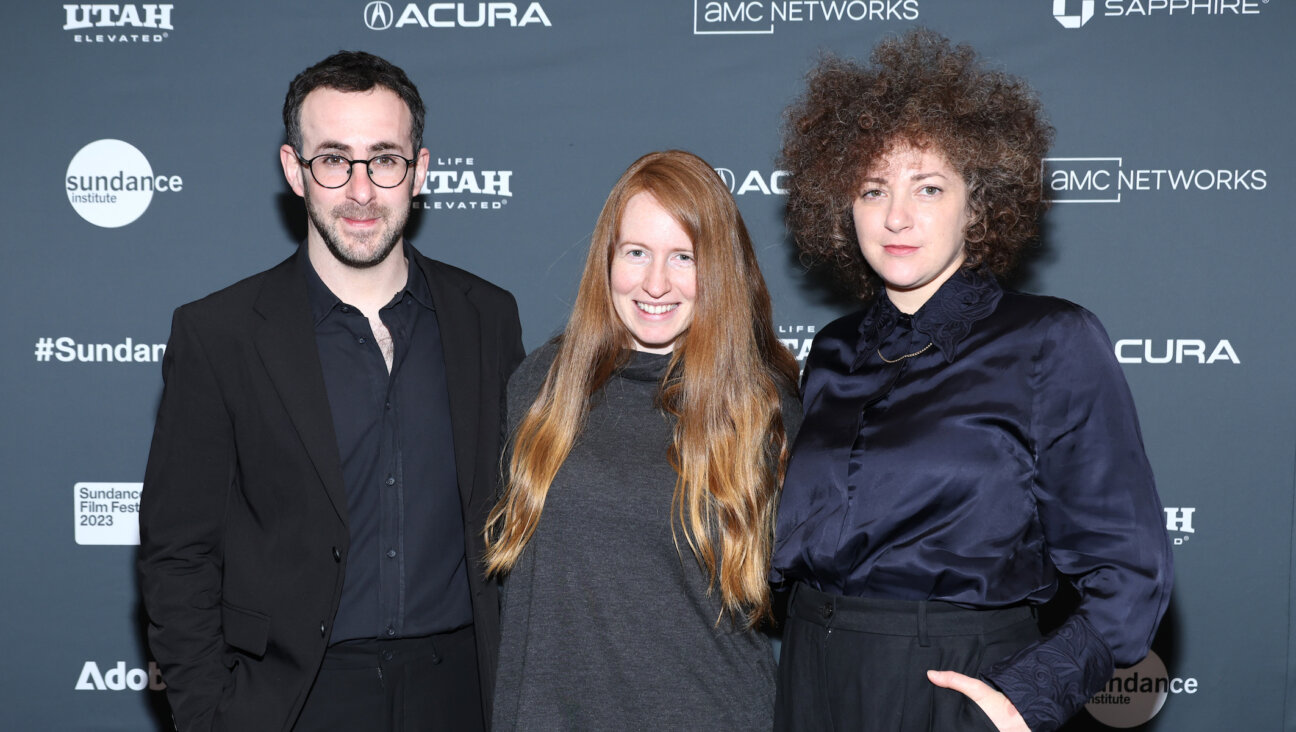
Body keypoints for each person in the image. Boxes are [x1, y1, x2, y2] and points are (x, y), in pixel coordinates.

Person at [770, 30, 1173, 732]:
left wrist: (1026, 698)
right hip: (812, 672)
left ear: (978, 204)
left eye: (929, 187)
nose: (897, 216)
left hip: (955, 682)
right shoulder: (833, 350)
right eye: (873, 188)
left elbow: (1130, 570)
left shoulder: (1050, 339)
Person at [137, 51, 524, 732]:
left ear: (420, 170)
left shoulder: (486, 317)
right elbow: (178, 551)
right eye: (334, 160)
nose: (361, 189)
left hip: (461, 695)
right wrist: (212, 714)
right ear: (294, 169)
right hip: (290, 700)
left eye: (384, 159)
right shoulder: (218, 334)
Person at [484, 150, 802, 730]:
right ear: (607, 259)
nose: (656, 283)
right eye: (637, 253)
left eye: (684, 257)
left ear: (720, 270)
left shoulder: (761, 406)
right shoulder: (540, 385)